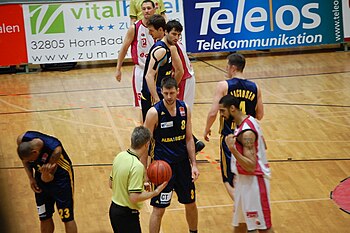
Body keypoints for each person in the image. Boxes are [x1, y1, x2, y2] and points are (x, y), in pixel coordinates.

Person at [203, 53, 263, 200]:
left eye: (227, 66)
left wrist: (206, 129)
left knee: (228, 179)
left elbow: (213, 112)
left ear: (233, 67)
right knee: (247, 175)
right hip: (249, 135)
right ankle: (249, 209)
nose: (226, 69)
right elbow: (260, 115)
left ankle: (242, 209)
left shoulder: (224, 85)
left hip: (230, 138)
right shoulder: (255, 87)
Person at [143, 77, 199, 233]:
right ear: (161, 91)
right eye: (166, 93)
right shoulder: (154, 113)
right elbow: (145, 144)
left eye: (172, 93)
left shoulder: (184, 108)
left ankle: (194, 231)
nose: (168, 96)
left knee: (191, 203)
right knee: (159, 209)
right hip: (162, 168)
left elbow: (189, 138)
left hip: (182, 165)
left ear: (178, 92)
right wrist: (144, 171)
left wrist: (194, 164)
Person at [143, 16, 205, 152]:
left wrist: (169, 90)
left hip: (179, 83)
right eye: (174, 34)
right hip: (159, 89)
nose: (176, 37)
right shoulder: (165, 48)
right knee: (165, 118)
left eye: (178, 35)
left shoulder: (171, 47)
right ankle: (192, 142)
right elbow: (151, 75)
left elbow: (180, 71)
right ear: (166, 32)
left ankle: (187, 144)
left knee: (175, 116)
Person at [219, 95, 272, 233]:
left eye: (223, 111)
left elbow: (251, 165)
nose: (221, 115)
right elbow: (263, 145)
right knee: (240, 226)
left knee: (262, 228)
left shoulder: (246, 132)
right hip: (244, 182)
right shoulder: (250, 120)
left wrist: (232, 149)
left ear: (232, 108)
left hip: (255, 182)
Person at [16, 131, 77, 233]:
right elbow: (25, 159)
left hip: (60, 179)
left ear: (35, 152)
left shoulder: (55, 151)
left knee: (67, 217)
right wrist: (31, 178)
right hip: (41, 175)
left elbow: (48, 179)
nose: (31, 162)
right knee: (44, 216)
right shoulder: (22, 140)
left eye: (31, 160)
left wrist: (44, 174)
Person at [109, 126, 167, 233]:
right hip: (127, 215)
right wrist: (155, 192)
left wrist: (138, 186)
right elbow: (134, 197)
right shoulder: (137, 166)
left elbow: (111, 184)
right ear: (146, 144)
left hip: (114, 210)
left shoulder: (120, 156)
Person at [115, 0, 156, 109]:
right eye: (144, 9)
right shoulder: (135, 27)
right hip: (141, 71)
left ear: (154, 9)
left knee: (158, 105)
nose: (146, 11)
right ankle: (143, 126)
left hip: (157, 71)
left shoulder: (161, 27)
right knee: (142, 106)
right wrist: (118, 68)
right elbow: (124, 48)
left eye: (149, 8)